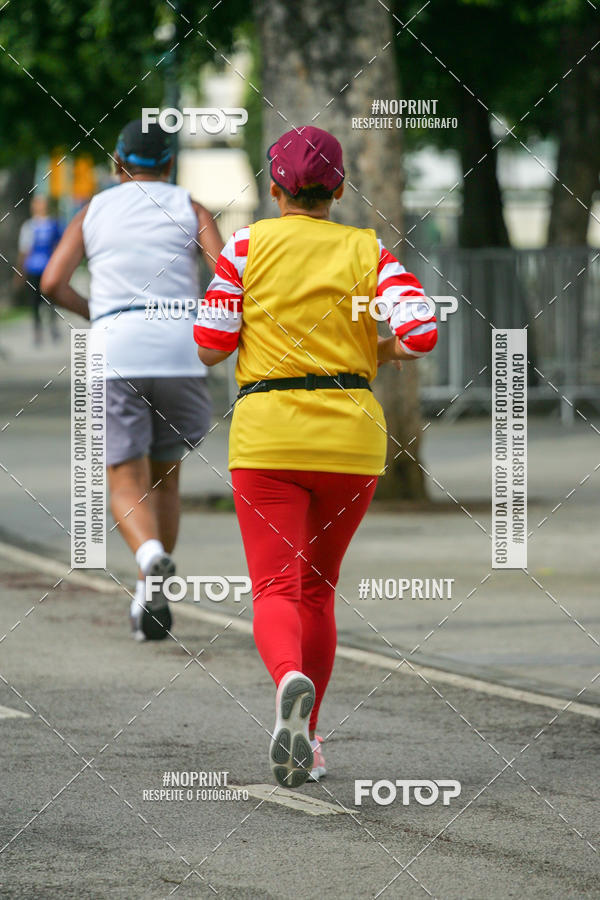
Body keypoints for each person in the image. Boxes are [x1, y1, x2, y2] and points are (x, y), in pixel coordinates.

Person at [193, 125, 437, 787]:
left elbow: (211, 344)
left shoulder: (246, 246)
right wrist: (369, 351)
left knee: (275, 586)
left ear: (274, 189)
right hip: (351, 441)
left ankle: (286, 679)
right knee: (318, 591)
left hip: (268, 435)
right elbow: (421, 332)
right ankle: (313, 736)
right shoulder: (367, 250)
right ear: (339, 188)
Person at [42, 119, 224, 641]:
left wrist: (96, 313)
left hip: (117, 347)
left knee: (124, 480)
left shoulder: (94, 209)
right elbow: (230, 277)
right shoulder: (191, 207)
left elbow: (53, 280)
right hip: (182, 352)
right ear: (170, 164)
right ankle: (153, 592)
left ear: (119, 164)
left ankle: (149, 556)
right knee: (166, 477)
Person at [16, 195, 62, 344]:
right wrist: (20, 272)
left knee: (51, 299)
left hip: (49, 268)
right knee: (35, 301)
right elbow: (24, 250)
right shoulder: (29, 226)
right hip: (33, 268)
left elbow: (58, 246)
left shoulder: (54, 224)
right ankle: (37, 331)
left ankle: (53, 327)